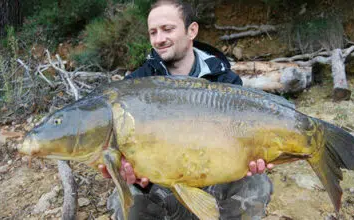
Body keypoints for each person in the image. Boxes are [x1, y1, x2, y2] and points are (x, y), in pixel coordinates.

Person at [98, 0, 274, 219]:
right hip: (163, 184)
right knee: (125, 198)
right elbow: (131, 159)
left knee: (256, 183)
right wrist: (130, 174)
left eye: (167, 29)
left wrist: (253, 155)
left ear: (192, 30)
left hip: (215, 177)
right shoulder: (136, 83)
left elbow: (241, 137)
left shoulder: (225, 80)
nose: (159, 39)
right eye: (153, 32)